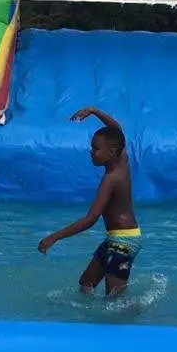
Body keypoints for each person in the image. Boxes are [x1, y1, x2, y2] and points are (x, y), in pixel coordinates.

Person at [37, 106, 141, 297]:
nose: (91, 152)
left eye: (95, 148)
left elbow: (90, 219)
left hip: (123, 243)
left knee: (114, 300)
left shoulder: (111, 179)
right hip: (115, 238)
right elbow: (117, 131)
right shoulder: (122, 159)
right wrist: (94, 111)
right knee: (86, 283)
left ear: (112, 151)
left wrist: (54, 237)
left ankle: (138, 313)